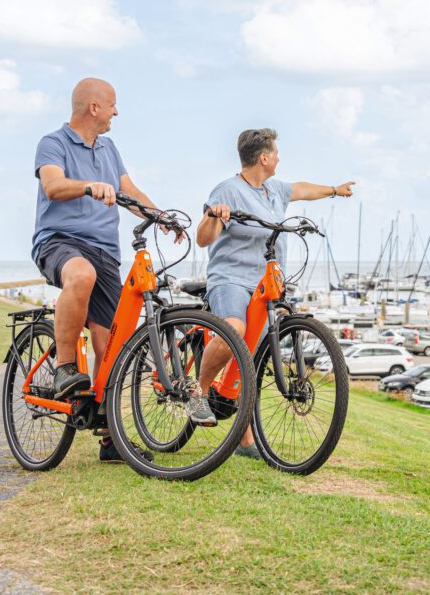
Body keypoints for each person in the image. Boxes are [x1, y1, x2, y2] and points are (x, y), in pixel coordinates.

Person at [32, 77, 174, 462]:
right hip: (60, 242)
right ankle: (64, 367)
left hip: (105, 252)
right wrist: (89, 186)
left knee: (110, 343)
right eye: (112, 105)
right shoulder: (53, 143)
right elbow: (53, 186)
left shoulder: (109, 149)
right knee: (81, 275)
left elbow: (131, 191)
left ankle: (111, 438)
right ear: (94, 107)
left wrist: (160, 216)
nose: (116, 112)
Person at [193, 128, 354, 459]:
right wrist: (214, 216)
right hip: (232, 278)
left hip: (266, 285)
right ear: (264, 158)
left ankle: (244, 439)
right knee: (234, 329)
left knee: (252, 357)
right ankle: (198, 392)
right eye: (276, 153)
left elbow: (302, 189)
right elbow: (203, 238)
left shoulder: (273, 190)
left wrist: (334, 191)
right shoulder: (228, 190)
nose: (279, 158)